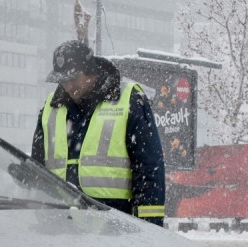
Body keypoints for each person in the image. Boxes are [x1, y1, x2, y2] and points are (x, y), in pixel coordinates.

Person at [31, 39, 166, 226]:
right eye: (62, 81)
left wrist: (150, 227)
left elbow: (150, 170)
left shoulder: (129, 100)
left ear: (90, 70)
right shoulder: (51, 107)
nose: (67, 86)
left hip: (114, 226)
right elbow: (38, 168)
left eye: (72, 79)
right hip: (61, 228)